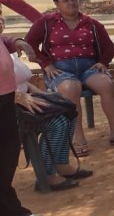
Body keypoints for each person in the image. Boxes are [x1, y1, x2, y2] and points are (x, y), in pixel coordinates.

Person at [25, 0, 114, 154]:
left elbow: (109, 48)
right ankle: (79, 139)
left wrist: (103, 63)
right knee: (70, 88)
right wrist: (46, 64)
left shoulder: (91, 23)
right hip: (60, 70)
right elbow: (29, 43)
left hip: (88, 67)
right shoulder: (46, 22)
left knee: (106, 84)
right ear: (57, 4)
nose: (71, 3)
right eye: (66, 0)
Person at [12, 47, 93, 191]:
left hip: (26, 100)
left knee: (69, 111)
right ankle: (46, 175)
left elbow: (22, 81)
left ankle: (62, 165)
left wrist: (46, 97)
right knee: (57, 123)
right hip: (8, 109)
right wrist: (17, 96)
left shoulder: (5, 48)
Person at [0, 8, 46, 216]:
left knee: (7, 155)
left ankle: (6, 213)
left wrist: (17, 42)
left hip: (5, 98)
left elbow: (3, 39)